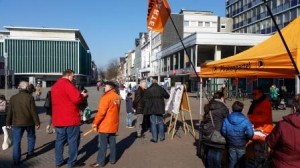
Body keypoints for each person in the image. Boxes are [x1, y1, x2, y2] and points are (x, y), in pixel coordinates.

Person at [51, 69, 88, 168]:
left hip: (58, 119)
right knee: (73, 141)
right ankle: (72, 162)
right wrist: (83, 96)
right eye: (73, 76)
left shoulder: (55, 86)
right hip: (70, 118)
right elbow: (76, 98)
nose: (74, 78)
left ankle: (59, 161)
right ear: (68, 75)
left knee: (59, 141)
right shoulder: (68, 84)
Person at [6, 81, 40, 166]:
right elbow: (33, 111)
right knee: (31, 137)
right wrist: (37, 122)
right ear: (26, 88)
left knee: (17, 141)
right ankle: (30, 153)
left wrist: (8, 122)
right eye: (28, 86)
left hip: (17, 123)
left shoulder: (13, 98)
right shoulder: (29, 97)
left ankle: (16, 160)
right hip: (29, 122)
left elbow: (9, 112)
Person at [90, 81, 121, 167]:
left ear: (110, 87)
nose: (104, 88)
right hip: (113, 123)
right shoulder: (117, 97)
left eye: (106, 86)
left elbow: (101, 112)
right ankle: (113, 159)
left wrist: (95, 123)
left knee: (103, 144)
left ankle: (100, 162)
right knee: (112, 143)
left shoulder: (106, 97)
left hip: (105, 124)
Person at [265, 94, 300, 167]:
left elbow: (269, 142)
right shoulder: (283, 125)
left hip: (281, 164)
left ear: (295, 106)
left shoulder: (282, 125)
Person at [221, 101, 254, 168]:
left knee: (232, 161)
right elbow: (250, 134)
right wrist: (246, 138)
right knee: (241, 162)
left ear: (232, 108)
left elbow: (223, 131)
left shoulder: (226, 119)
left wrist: (228, 136)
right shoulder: (245, 120)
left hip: (231, 143)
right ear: (242, 109)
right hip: (241, 143)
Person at [201, 91, 229, 168]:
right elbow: (227, 119)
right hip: (218, 132)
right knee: (218, 151)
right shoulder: (223, 108)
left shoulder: (208, 106)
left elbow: (205, 118)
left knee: (210, 150)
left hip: (208, 132)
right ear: (221, 98)